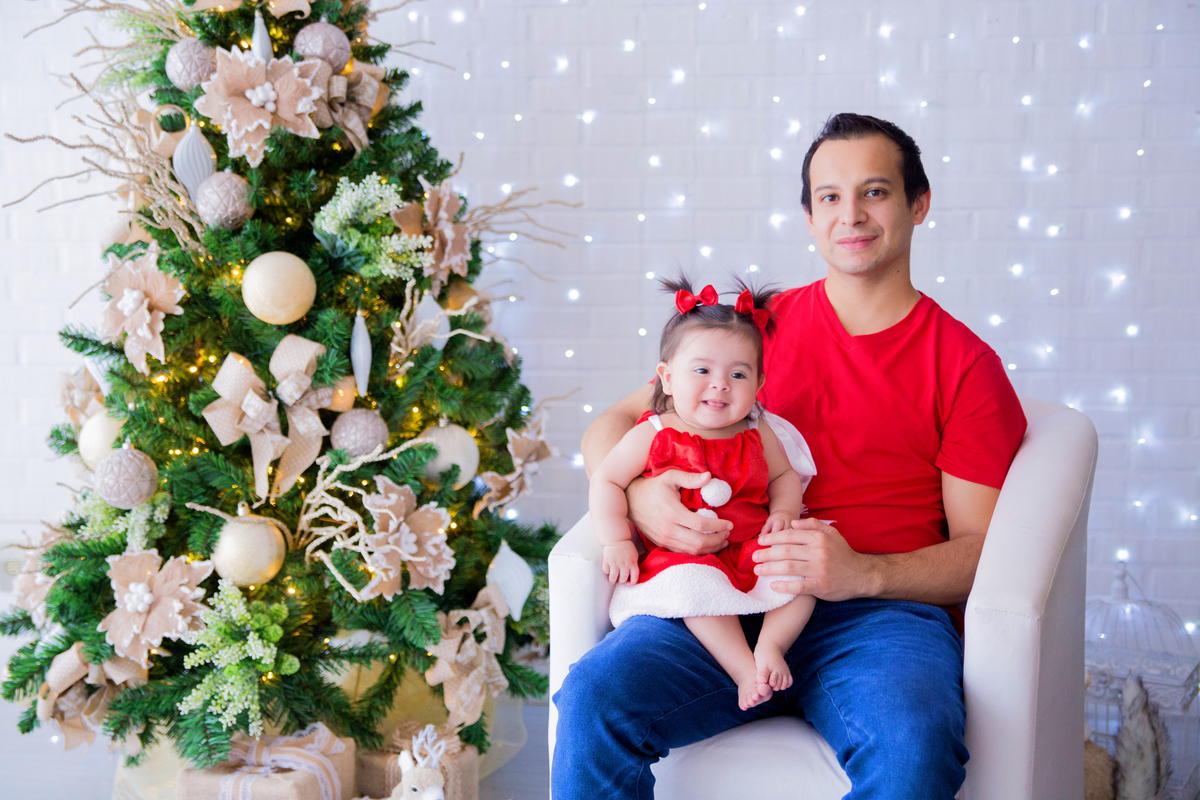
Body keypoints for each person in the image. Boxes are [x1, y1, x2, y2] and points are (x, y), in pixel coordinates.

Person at [552, 112, 1028, 800]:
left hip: (877, 622)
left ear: (918, 205)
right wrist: (635, 500)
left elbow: (982, 550)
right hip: (721, 596)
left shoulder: (965, 367)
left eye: (876, 192)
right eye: (830, 197)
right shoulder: (757, 331)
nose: (851, 215)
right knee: (595, 697)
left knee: (911, 744)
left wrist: (864, 574)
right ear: (809, 217)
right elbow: (618, 422)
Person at [590, 277, 818, 711]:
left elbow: (784, 476)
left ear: (759, 382)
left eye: (738, 374)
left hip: (751, 545)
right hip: (690, 557)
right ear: (667, 377)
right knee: (696, 593)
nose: (720, 385)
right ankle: (743, 670)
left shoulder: (756, 427)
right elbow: (607, 480)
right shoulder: (655, 432)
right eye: (702, 371)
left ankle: (771, 645)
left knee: (803, 573)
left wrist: (785, 511)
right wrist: (616, 539)